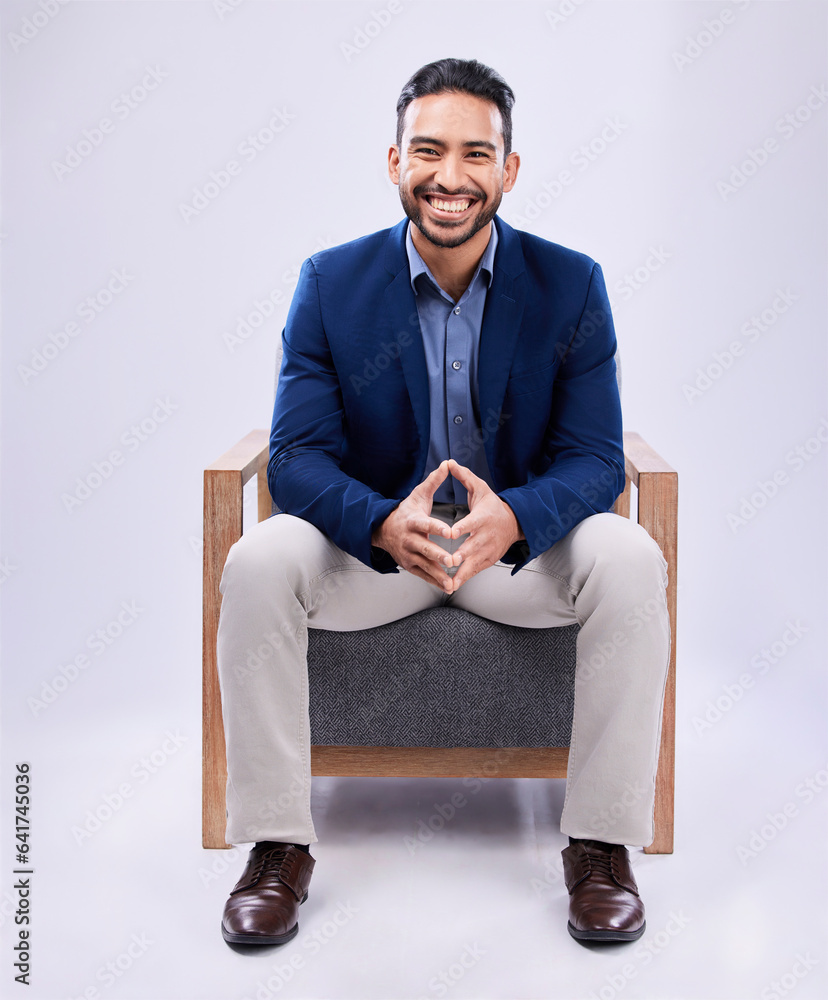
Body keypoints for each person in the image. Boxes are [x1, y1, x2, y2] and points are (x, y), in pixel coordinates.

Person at [216, 58, 670, 947]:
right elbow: (298, 456)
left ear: (509, 168)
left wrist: (520, 517)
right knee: (256, 558)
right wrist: (383, 523)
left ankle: (600, 845)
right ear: (394, 162)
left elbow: (593, 457)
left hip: (517, 556)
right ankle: (277, 846)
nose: (450, 178)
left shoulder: (571, 283)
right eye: (428, 151)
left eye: (475, 154)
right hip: (377, 552)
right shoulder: (330, 282)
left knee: (632, 556)